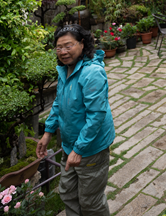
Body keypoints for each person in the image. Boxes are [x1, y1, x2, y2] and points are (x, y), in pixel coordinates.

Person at [36, 25, 115, 216]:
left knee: (91, 202)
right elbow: (59, 103)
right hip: (70, 144)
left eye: (68, 46)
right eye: (59, 47)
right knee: (67, 192)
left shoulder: (92, 73)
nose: (63, 52)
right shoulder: (67, 69)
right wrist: (48, 132)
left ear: (82, 43)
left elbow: (96, 115)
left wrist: (79, 149)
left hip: (91, 148)